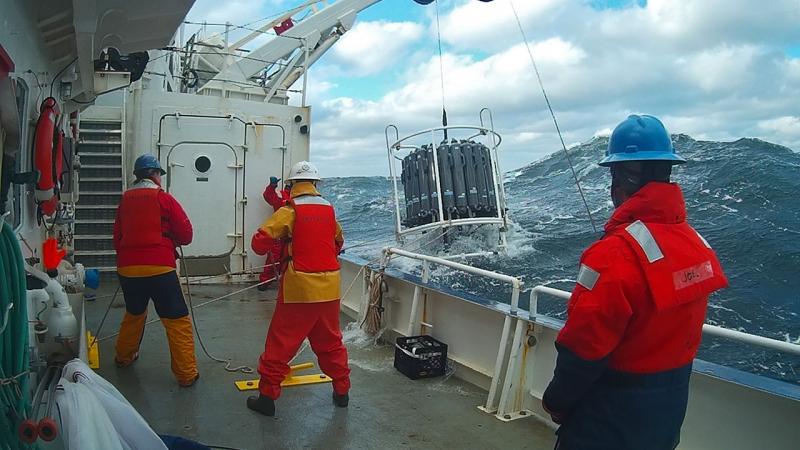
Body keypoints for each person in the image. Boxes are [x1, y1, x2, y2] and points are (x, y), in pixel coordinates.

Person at [542, 115, 729, 449]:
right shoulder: (694, 242)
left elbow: (583, 349)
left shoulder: (612, 255)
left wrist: (556, 401)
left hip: (611, 420)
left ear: (624, 178)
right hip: (667, 415)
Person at [246, 161, 349, 416]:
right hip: (330, 289)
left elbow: (259, 243)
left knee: (280, 344)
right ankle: (342, 391)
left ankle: (267, 399)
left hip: (299, 290)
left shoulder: (289, 209)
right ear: (315, 184)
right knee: (331, 343)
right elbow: (338, 242)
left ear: (291, 185)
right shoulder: (329, 209)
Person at [112, 154, 199, 387]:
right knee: (176, 320)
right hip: (160, 267)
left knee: (134, 313)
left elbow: (116, 238)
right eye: (159, 173)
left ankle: (123, 357)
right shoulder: (164, 198)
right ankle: (186, 374)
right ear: (154, 174)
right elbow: (186, 235)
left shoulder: (124, 201)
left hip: (128, 270)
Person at [257, 176, 290, 291]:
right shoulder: (282, 196)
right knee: (274, 259)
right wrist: (272, 186)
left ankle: (288, 281)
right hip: (280, 233)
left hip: (292, 234)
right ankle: (265, 281)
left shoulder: (299, 198)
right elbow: (268, 196)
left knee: (290, 259)